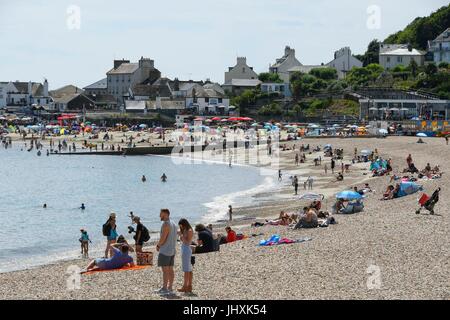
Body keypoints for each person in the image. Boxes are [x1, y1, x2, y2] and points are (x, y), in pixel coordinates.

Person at [155, 208, 177, 296]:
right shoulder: (173, 223)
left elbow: (163, 238)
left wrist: (158, 245)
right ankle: (170, 287)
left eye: (161, 214)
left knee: (165, 270)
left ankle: (164, 288)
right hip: (172, 250)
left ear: (165, 214)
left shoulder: (166, 224)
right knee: (170, 269)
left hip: (165, 250)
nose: (159, 216)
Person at [177, 218, 194, 293]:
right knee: (188, 269)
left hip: (187, 249)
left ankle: (185, 286)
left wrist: (181, 236)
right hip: (184, 249)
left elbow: (187, 242)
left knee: (187, 269)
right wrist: (180, 233)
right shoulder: (184, 230)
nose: (181, 227)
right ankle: (189, 286)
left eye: (181, 226)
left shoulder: (189, 230)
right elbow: (178, 231)